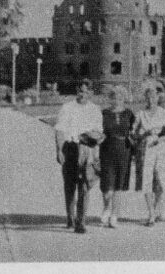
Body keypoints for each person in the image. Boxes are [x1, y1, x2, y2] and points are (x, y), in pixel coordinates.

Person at [54, 79, 103, 233]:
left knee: (84, 186)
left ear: (91, 93)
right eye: (81, 91)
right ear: (77, 91)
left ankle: (81, 222)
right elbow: (60, 130)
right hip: (70, 148)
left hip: (87, 150)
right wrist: (59, 150)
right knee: (70, 186)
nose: (83, 94)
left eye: (86, 91)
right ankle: (70, 216)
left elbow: (99, 132)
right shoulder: (67, 108)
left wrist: (93, 146)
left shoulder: (95, 109)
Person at [132, 86, 165, 227]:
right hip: (145, 150)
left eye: (154, 97)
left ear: (158, 98)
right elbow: (133, 133)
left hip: (161, 149)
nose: (151, 100)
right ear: (145, 99)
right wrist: (143, 134)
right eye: (148, 97)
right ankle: (151, 213)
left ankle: (157, 208)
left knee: (161, 182)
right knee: (147, 181)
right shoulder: (141, 114)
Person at [99, 85, 135, 228]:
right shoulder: (104, 113)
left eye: (120, 97)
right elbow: (98, 129)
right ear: (110, 98)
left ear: (124, 98)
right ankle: (107, 207)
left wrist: (134, 139)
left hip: (124, 150)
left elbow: (135, 130)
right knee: (107, 186)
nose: (117, 100)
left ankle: (114, 215)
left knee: (119, 185)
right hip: (107, 149)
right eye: (114, 97)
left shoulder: (129, 114)